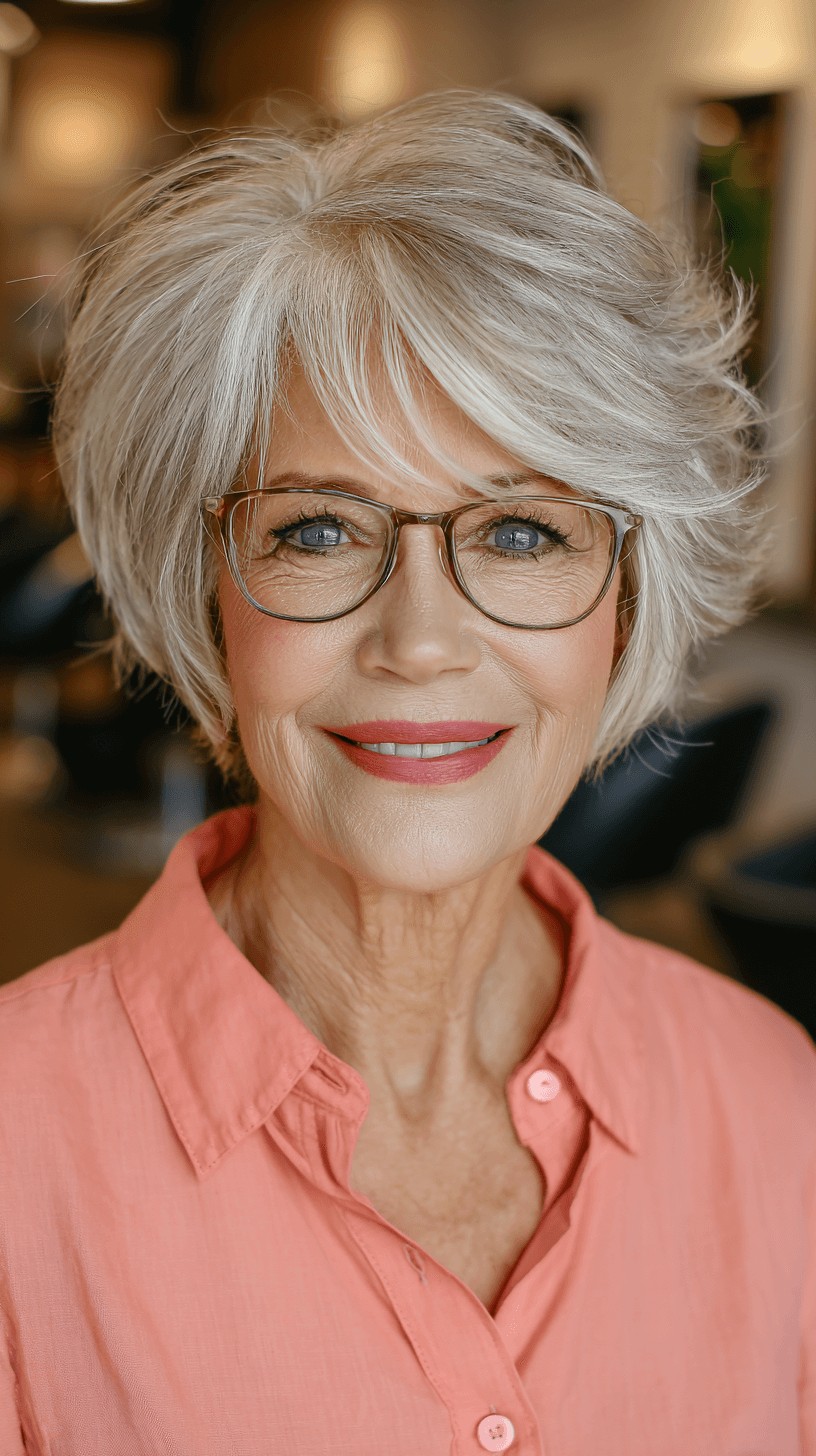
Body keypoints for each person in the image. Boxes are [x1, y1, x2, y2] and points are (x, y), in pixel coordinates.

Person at [0, 88, 813, 1456]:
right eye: (319, 529)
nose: (423, 640)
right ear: (211, 597)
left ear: (628, 596)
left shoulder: (774, 1105)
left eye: (518, 535)